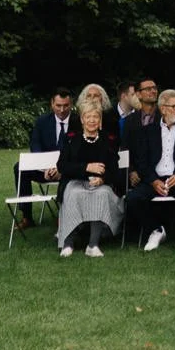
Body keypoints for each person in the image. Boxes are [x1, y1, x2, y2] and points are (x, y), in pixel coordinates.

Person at [125, 88, 175, 255]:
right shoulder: (148, 132)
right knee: (133, 198)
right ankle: (156, 230)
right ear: (163, 108)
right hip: (155, 178)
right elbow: (142, 162)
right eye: (174, 106)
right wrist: (153, 181)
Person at [54, 101, 123, 258]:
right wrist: (86, 167)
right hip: (75, 181)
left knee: (101, 194)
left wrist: (103, 179)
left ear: (100, 121)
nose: (92, 120)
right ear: (82, 120)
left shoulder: (108, 140)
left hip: (99, 184)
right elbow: (62, 166)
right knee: (73, 194)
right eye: (88, 116)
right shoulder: (71, 139)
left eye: (95, 117)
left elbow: (114, 169)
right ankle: (68, 242)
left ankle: (93, 245)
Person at [12, 88, 73, 231]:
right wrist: (45, 167)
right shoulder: (42, 122)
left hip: (68, 170)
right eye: (58, 105)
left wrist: (61, 169)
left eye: (65, 105)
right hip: (44, 168)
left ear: (71, 104)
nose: (62, 110)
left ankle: (65, 216)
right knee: (19, 168)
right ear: (52, 104)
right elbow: (35, 144)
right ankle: (26, 216)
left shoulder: (78, 122)